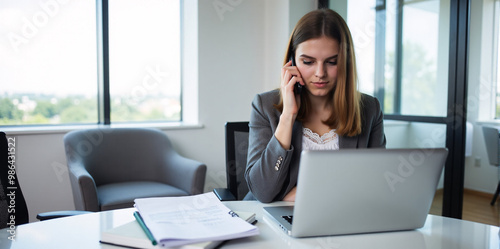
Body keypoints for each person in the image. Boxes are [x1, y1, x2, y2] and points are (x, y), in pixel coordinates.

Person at [244, 8, 386, 203]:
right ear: (292, 61)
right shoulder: (265, 106)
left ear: (346, 62)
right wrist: (287, 117)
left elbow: (375, 185)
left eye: (332, 62)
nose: (320, 73)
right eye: (308, 61)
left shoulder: (370, 109)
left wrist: (300, 193)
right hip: (275, 218)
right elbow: (262, 191)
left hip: (340, 216)